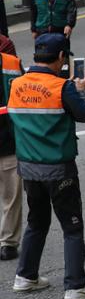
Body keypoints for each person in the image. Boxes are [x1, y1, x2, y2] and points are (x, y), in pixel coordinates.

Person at [8, 34, 85, 299]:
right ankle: (75, 287)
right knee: (72, 226)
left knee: (37, 220)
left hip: (29, 168)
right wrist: (81, 89)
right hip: (58, 168)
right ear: (61, 58)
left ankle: (25, 276)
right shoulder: (62, 87)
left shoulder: (16, 84)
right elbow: (83, 114)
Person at [0, 47, 24, 261]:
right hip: (8, 141)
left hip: (8, 142)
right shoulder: (12, 64)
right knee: (11, 196)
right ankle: (7, 243)